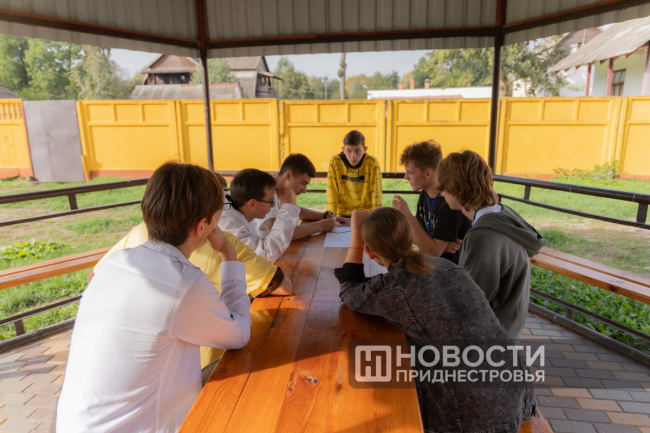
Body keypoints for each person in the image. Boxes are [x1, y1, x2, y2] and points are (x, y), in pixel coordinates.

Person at [57, 162, 252, 433]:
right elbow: (239, 333)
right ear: (202, 226)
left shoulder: (115, 262)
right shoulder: (185, 283)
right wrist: (228, 254)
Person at [335, 208, 535, 433]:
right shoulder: (448, 266)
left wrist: (356, 235)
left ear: (369, 253)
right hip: (516, 392)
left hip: (475, 418)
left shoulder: (393, 289)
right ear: (409, 237)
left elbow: (349, 291)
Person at [436, 150, 546, 340]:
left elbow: (469, 305)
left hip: (488, 340)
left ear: (457, 190)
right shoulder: (503, 215)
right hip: (508, 331)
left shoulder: (483, 236)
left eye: (444, 188)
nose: (441, 193)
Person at [391, 140, 471, 264]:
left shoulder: (450, 204)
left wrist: (407, 216)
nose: (405, 177)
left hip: (451, 270)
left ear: (428, 173)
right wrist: (436, 245)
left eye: (410, 172)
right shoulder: (424, 194)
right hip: (435, 265)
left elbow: (433, 253)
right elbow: (419, 238)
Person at [256, 153, 347, 239]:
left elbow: (298, 211)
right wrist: (321, 225)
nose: (304, 190)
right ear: (288, 175)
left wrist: (326, 216)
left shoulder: (278, 189)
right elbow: (281, 234)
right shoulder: (266, 192)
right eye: (303, 183)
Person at [219, 168, 300, 263]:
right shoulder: (231, 224)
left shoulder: (239, 209)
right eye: (271, 201)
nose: (273, 205)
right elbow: (264, 255)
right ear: (252, 203)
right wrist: (289, 209)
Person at [326, 130, 383, 216]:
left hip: (367, 214)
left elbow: (376, 194)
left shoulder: (372, 163)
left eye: (357, 151)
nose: (353, 156)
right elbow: (332, 193)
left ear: (364, 150)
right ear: (343, 149)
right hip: (342, 214)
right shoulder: (335, 162)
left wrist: (376, 217)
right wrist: (331, 217)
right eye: (349, 151)